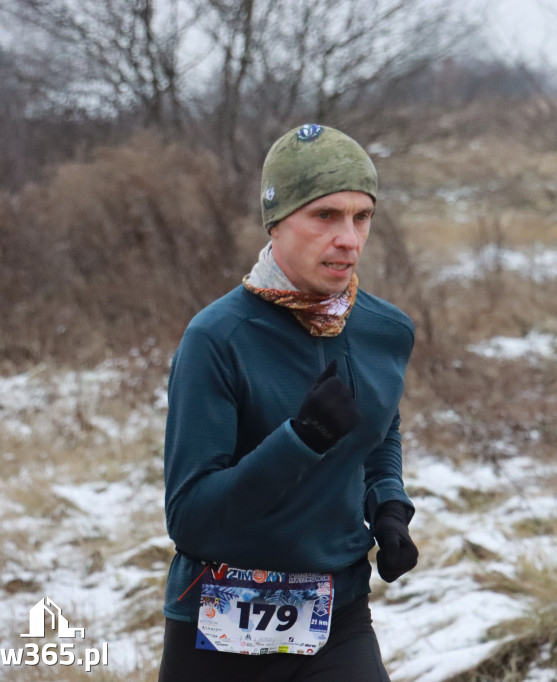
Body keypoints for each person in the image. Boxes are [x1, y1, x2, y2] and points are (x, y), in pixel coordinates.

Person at [158, 123, 419, 681]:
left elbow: (379, 431)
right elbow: (192, 520)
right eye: (324, 215)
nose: (348, 238)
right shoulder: (218, 338)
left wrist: (389, 507)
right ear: (276, 224)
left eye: (361, 216)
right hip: (220, 618)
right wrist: (300, 442)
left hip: (337, 615)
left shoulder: (385, 331)